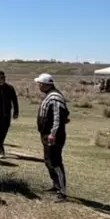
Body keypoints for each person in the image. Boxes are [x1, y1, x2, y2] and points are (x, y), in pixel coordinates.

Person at [35, 73, 70, 202]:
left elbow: (57, 117)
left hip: (53, 136)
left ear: (45, 84)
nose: (38, 86)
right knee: (48, 160)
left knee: (55, 162)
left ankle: (62, 191)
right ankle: (56, 185)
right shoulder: (50, 95)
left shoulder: (54, 97)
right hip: (47, 134)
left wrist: (52, 134)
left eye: (39, 84)